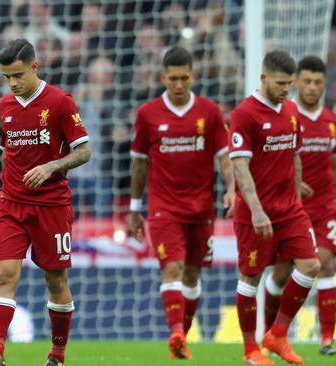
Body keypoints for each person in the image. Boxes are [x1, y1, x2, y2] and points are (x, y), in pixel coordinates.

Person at [0, 39, 90, 366]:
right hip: (11, 203)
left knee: (56, 280)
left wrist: (51, 166)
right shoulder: (5, 105)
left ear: (35, 66)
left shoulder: (60, 102)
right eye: (7, 77)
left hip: (51, 206)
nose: (13, 83)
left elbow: (84, 151)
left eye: (18, 75)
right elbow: (8, 148)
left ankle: (57, 355)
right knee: (4, 274)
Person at [128, 46, 235, 360]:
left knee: (192, 275)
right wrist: (135, 209)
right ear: (163, 77)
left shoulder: (210, 112)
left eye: (184, 78)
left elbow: (224, 158)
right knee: (172, 268)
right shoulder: (148, 114)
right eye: (172, 78)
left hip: (201, 209)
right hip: (163, 208)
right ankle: (175, 331)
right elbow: (139, 165)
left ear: (193, 76)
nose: (178, 84)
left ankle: (181, 339)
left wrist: (231, 189)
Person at [229, 50, 321, 365]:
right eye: (281, 84)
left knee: (311, 266)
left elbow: (294, 154)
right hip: (255, 213)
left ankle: (277, 335)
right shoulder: (244, 114)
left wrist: (296, 191)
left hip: (290, 210)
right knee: (250, 279)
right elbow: (240, 166)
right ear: (264, 78)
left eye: (290, 84)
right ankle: (250, 351)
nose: (286, 90)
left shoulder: (291, 109)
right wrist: (256, 209)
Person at [262, 55, 336, 356]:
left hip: (324, 209)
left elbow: (333, 167)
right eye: (307, 81)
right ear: (297, 83)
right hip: (290, 208)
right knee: (281, 274)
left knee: (324, 263)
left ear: (325, 85)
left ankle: (327, 341)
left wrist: (331, 198)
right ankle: (269, 335)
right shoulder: (287, 115)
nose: (312, 88)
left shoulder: (334, 124)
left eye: (318, 83)